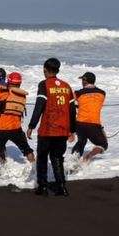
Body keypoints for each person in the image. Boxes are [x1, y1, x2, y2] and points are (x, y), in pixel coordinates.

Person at [27, 58, 76, 196]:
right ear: (58, 70)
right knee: (57, 158)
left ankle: (42, 187)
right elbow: (72, 110)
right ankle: (62, 187)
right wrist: (72, 130)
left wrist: (31, 125)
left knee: (42, 158)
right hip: (62, 130)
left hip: (47, 129)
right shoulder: (67, 86)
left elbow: (39, 105)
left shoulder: (44, 84)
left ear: (45, 70)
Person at [0, 72, 34, 171]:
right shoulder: (22, 95)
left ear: (8, 81)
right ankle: (35, 170)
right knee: (28, 151)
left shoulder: (2, 92)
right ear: (20, 83)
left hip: (1, 128)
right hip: (16, 129)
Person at [71, 72, 108, 163]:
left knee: (81, 142)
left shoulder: (78, 93)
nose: (81, 82)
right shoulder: (102, 93)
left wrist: (77, 106)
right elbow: (93, 104)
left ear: (85, 81)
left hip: (79, 124)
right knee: (103, 144)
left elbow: (68, 102)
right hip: (93, 124)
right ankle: (89, 156)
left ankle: (73, 161)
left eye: (82, 80)